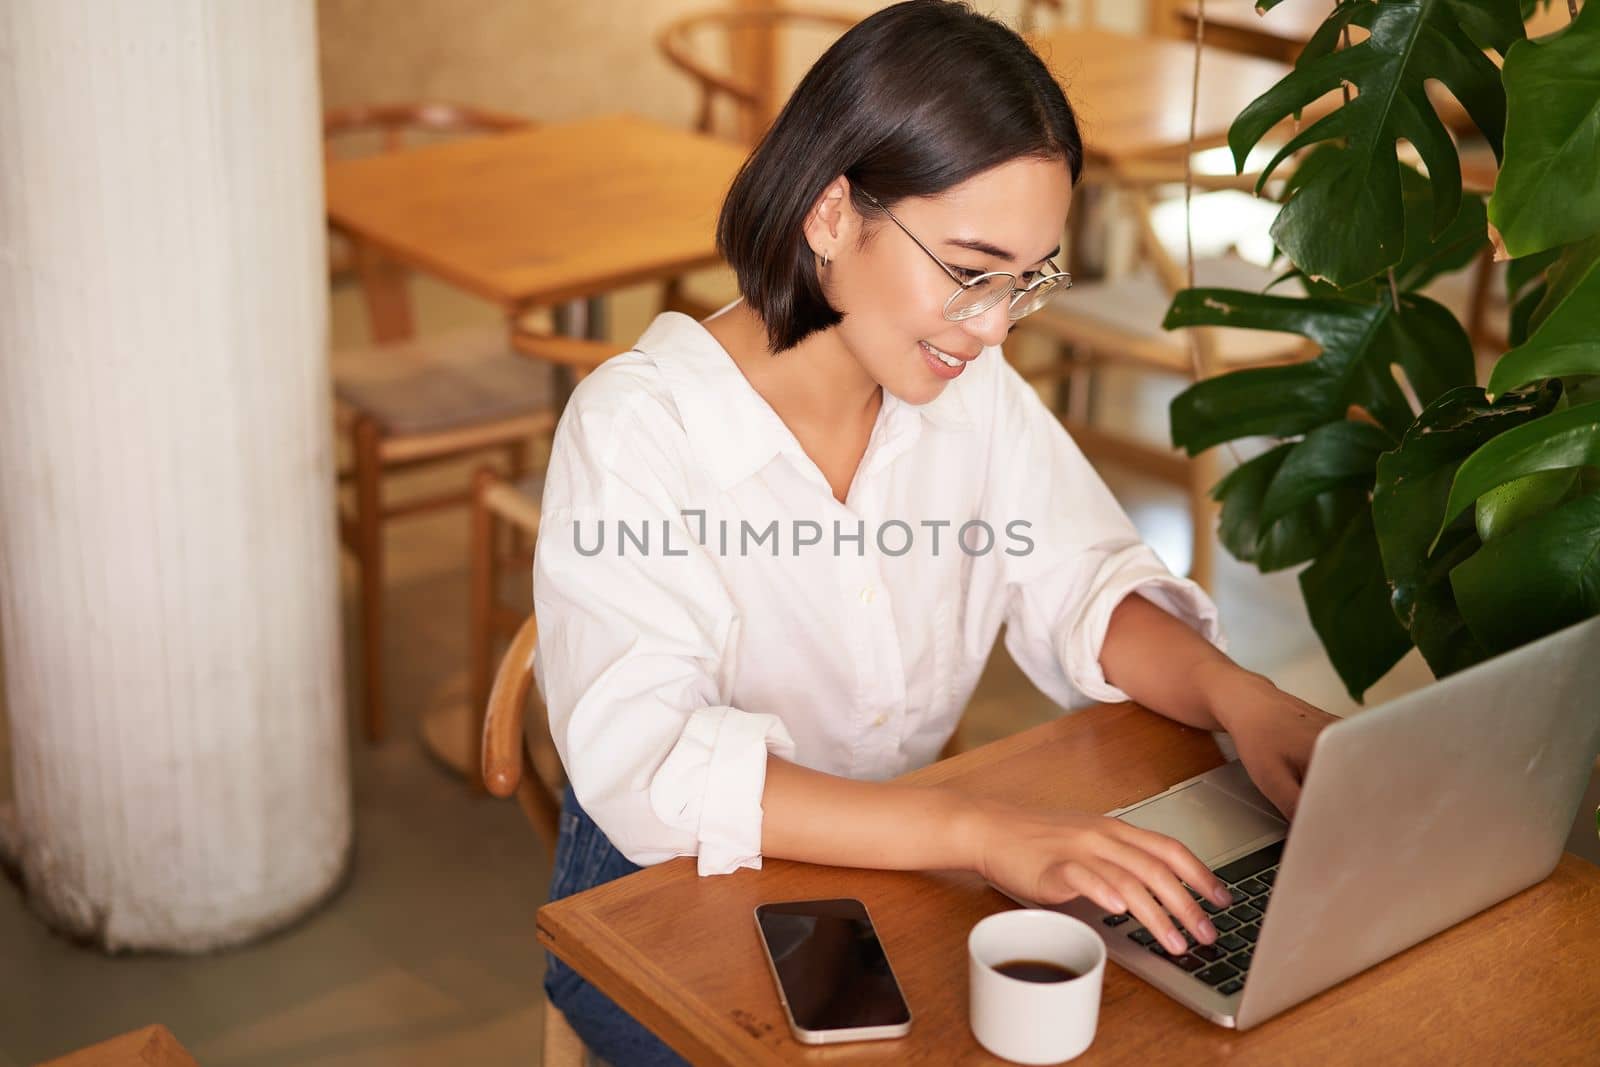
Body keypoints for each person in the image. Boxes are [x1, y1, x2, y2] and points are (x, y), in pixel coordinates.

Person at [532, 2, 1336, 1062]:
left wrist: (1243, 696)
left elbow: (1078, 578)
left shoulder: (965, 383)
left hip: (888, 849)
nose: (996, 323)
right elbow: (655, 768)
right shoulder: (641, 427)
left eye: (1028, 279)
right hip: (667, 891)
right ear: (829, 213)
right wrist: (983, 833)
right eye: (969, 269)